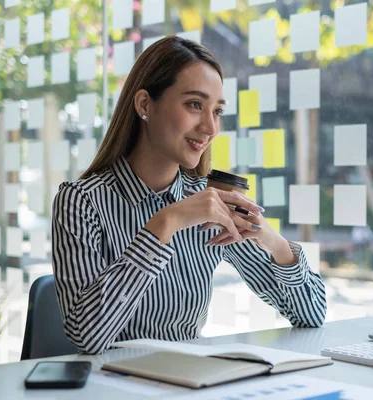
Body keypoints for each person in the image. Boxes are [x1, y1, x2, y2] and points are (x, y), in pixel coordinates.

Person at [52, 36, 326, 354]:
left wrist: (273, 242)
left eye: (217, 111)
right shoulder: (81, 201)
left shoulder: (210, 203)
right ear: (144, 105)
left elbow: (312, 315)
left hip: (193, 380)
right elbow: (88, 336)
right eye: (195, 105)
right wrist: (166, 222)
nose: (210, 127)